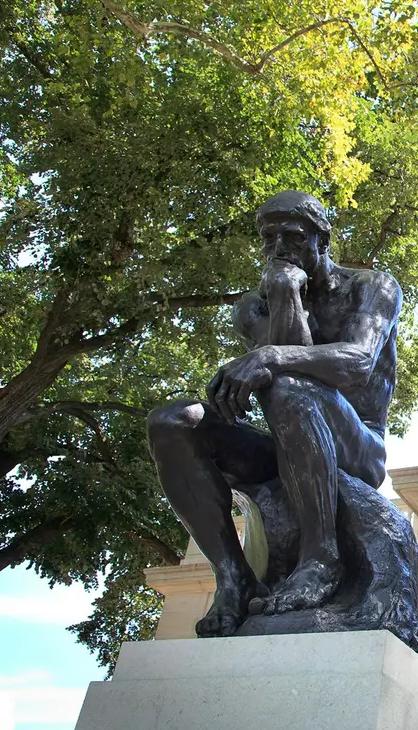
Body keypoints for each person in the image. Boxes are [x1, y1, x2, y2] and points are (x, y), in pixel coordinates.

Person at [145, 191, 402, 637]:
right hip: (289, 438)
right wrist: (285, 294)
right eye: (268, 238)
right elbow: (284, 359)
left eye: (293, 236)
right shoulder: (253, 305)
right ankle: (233, 576)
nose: (279, 246)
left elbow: (357, 364)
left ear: (323, 239)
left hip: (358, 446)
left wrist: (271, 356)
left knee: (286, 379)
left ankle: (321, 559)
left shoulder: (372, 288)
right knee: (172, 422)